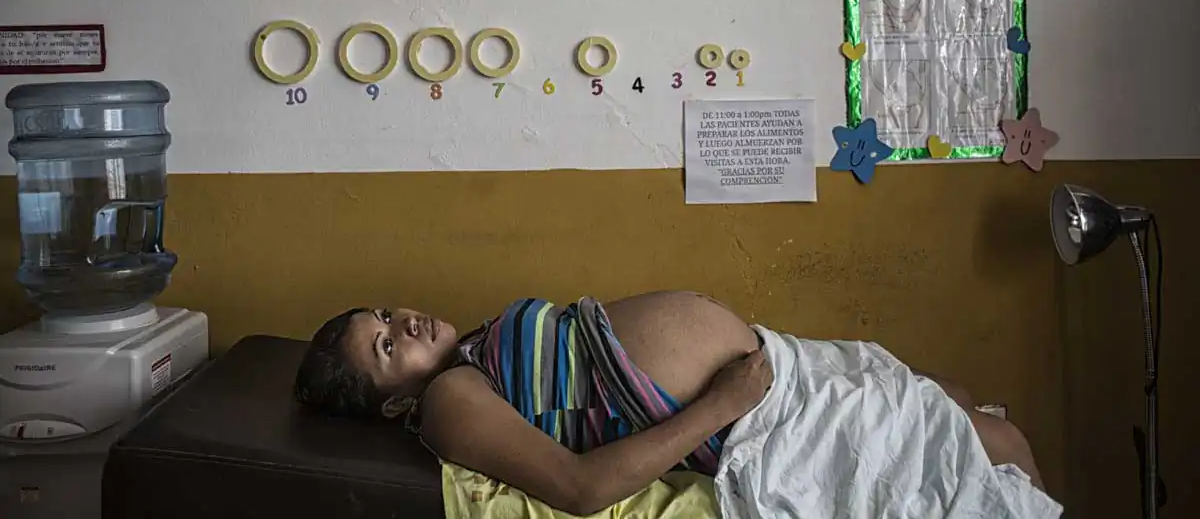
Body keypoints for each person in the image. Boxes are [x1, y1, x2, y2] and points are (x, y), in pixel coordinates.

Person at [294, 290, 1046, 516]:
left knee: (958, 404)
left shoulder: (465, 357)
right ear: (393, 407)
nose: (405, 326)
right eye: (387, 349)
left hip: (769, 367)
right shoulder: (449, 401)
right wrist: (723, 404)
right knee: (998, 451)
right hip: (755, 414)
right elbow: (579, 489)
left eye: (386, 317)